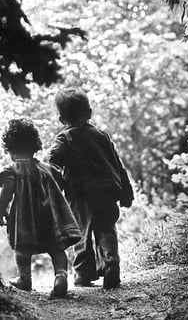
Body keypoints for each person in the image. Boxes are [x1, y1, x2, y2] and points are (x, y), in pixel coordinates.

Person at [48, 87, 134, 289]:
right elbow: (117, 164)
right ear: (90, 112)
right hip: (107, 191)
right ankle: (111, 262)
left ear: (61, 120)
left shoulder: (64, 138)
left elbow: (53, 164)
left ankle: (83, 274)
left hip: (80, 195)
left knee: (81, 234)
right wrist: (126, 192)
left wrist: (56, 186)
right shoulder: (102, 135)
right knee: (106, 229)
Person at [0, 117, 81, 297]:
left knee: (21, 250)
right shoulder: (46, 169)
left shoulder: (12, 170)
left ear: (9, 149)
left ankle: (24, 279)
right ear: (35, 146)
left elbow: (7, 190)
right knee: (57, 248)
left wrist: (1, 210)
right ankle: (61, 276)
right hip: (50, 218)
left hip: (24, 220)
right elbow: (61, 181)